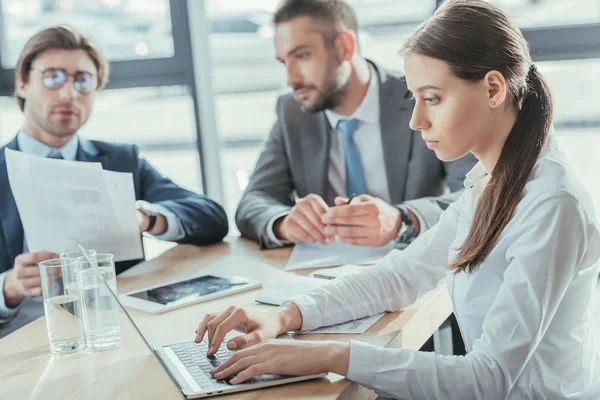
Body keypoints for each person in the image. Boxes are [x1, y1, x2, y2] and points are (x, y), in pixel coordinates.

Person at [194, 1, 600, 398]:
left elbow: (486, 378)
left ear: (493, 88)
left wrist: (328, 355)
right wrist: (285, 315)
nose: (416, 120)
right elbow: (401, 275)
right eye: (415, 98)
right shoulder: (491, 183)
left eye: (433, 98)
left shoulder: (551, 204)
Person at [0, 25, 229, 337]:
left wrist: (146, 218)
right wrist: (8, 287)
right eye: (53, 77)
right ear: (23, 84)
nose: (69, 93)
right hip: (22, 342)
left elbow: (212, 217)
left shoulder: (121, 161)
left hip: (115, 333)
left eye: (83, 80)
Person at [235, 0, 477, 250]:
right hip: (325, 274)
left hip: (417, 268)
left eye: (302, 55)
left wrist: (403, 219)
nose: (291, 79)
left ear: (344, 47)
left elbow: (478, 194)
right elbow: (254, 200)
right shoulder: (293, 111)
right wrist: (283, 222)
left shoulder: (420, 98)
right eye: (285, 62)